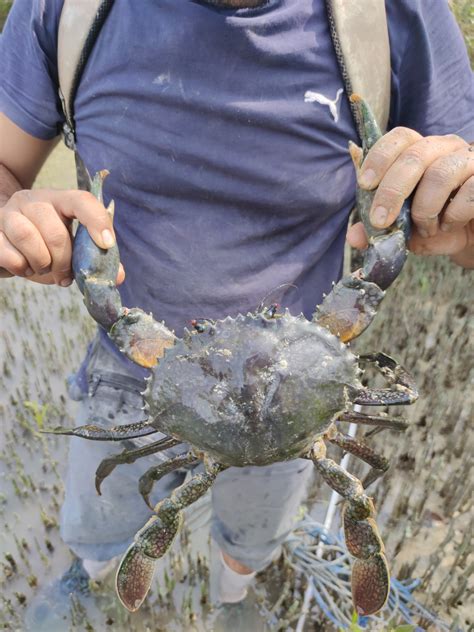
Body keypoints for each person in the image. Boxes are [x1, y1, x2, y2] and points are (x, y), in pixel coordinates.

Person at [0, 0, 473, 627]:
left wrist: (462, 215)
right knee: (111, 512)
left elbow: (465, 239)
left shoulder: (398, 13)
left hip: (263, 406)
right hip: (133, 384)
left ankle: (232, 590)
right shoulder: (63, 10)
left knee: (242, 530)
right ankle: (93, 572)